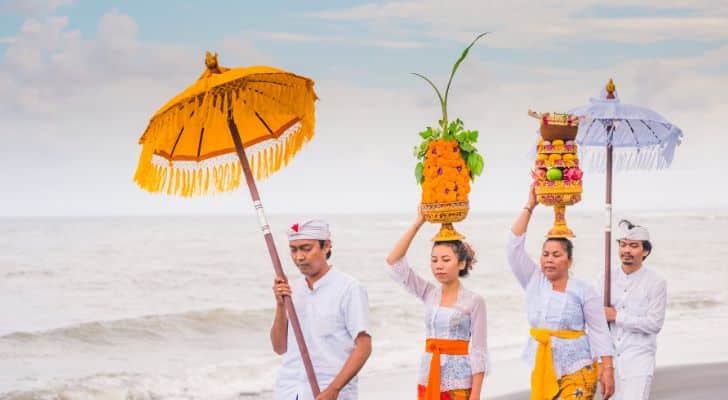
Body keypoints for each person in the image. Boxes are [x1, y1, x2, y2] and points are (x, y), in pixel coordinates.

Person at [506, 184, 615, 400]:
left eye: (556, 255)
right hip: (545, 369)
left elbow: (599, 330)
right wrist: (530, 206)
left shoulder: (584, 291)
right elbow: (512, 248)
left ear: (569, 260)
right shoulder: (534, 281)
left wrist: (607, 368)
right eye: (545, 254)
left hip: (579, 368)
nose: (549, 259)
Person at [385, 209, 488, 400]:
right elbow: (393, 264)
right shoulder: (429, 293)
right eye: (434, 260)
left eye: (446, 260)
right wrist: (418, 222)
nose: (438, 266)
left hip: (458, 383)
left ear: (462, 263)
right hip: (428, 377)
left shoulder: (474, 301)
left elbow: (479, 350)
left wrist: (476, 395)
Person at [271, 219, 371, 400]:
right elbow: (279, 347)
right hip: (288, 390)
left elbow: (364, 346)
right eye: (293, 250)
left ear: (326, 247)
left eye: (306, 248)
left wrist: (334, 389)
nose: (299, 257)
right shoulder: (292, 290)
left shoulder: (349, 288)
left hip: (329, 392)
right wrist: (280, 305)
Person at [600, 219, 667, 400]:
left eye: (633, 246)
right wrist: (601, 362)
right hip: (610, 361)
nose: (627, 250)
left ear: (645, 251)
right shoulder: (605, 278)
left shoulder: (656, 282)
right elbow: (596, 323)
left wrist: (617, 316)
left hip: (639, 359)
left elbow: (654, 324)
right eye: (623, 245)